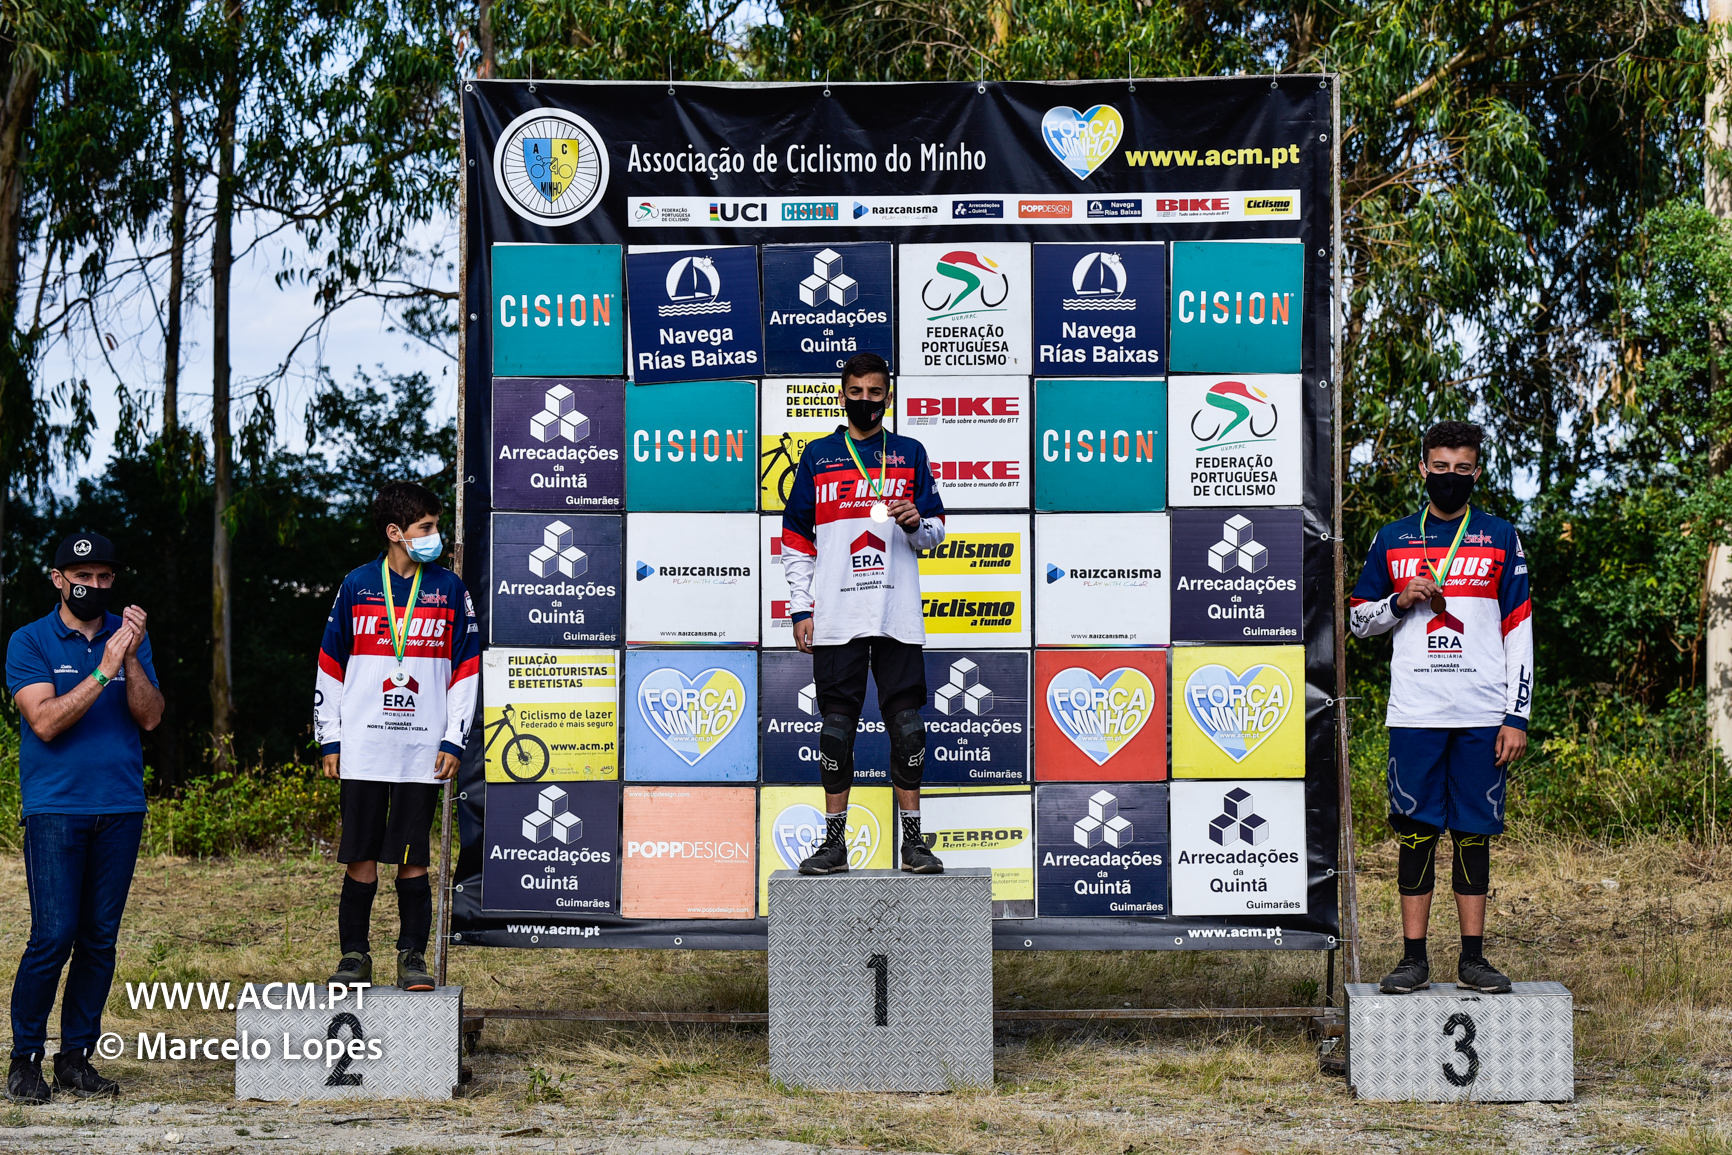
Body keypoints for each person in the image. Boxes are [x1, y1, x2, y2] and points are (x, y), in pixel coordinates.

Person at [1349, 421, 1533, 995]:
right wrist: (1398, 600)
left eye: (1462, 469)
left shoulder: (1500, 536)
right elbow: (1358, 621)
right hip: (1416, 713)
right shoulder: (1393, 538)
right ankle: (1413, 960)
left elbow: (1519, 629)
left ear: (1476, 472)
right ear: (1423, 468)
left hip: (1483, 713)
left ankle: (1473, 959)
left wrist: (1517, 715)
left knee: (1474, 833)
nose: (1450, 477)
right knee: (1417, 832)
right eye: (1440, 467)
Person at [6, 532, 163, 1104]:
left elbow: (150, 717)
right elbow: (45, 722)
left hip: (120, 807)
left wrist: (130, 658)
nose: (94, 586)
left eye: (104, 577)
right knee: (53, 936)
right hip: (56, 809)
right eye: (83, 577)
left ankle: (75, 1059)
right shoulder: (30, 640)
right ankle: (25, 1059)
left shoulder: (129, 637)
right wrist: (103, 669)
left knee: (99, 940)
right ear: (58, 579)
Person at [782, 352, 948, 875]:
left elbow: (935, 534)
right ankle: (834, 845)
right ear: (842, 395)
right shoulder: (818, 456)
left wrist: (915, 523)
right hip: (836, 615)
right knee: (835, 733)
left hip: (895, 612)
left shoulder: (909, 453)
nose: (865, 401)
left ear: (888, 397)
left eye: (875, 393)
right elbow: (795, 538)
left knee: (909, 731)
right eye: (856, 392)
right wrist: (800, 607)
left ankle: (914, 844)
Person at [316, 481, 479, 991]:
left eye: (435, 526)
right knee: (360, 855)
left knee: (412, 859)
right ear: (395, 532)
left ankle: (412, 956)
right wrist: (329, 738)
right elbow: (330, 664)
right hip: (363, 747)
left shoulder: (449, 589)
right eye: (425, 528)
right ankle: (354, 956)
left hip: (422, 750)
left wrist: (453, 739)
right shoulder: (358, 584)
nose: (435, 535)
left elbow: (466, 669)